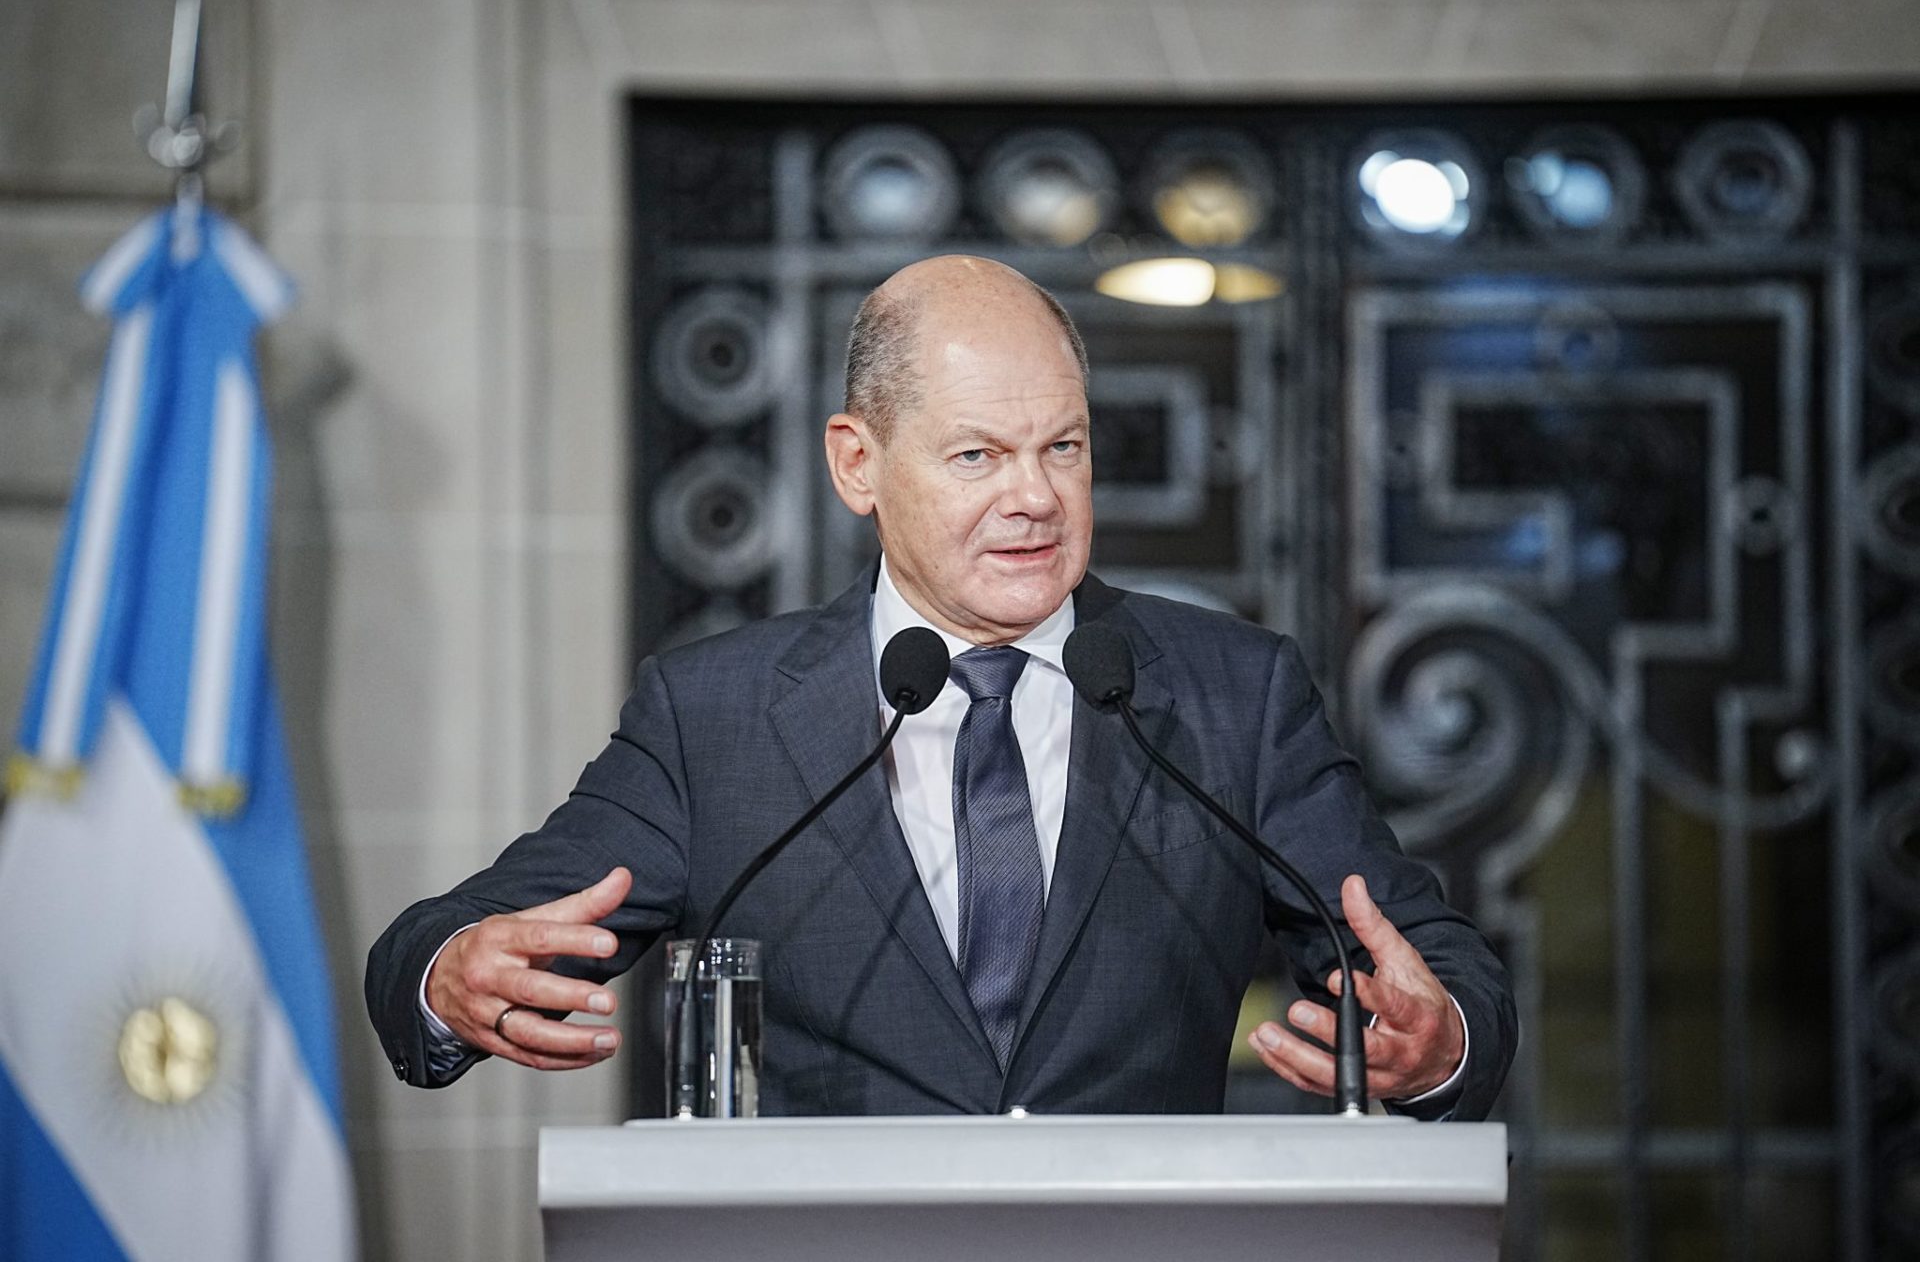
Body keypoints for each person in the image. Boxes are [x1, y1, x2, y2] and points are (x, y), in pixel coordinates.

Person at [365, 255, 1515, 1119]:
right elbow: (460, 935)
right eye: (978, 455)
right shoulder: (714, 716)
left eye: (1062, 448)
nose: (1034, 497)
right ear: (857, 462)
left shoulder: (1231, 695)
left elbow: (1433, 964)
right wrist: (447, 972)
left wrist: (1442, 1038)